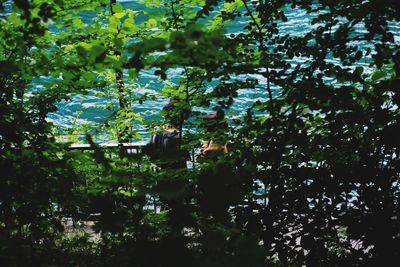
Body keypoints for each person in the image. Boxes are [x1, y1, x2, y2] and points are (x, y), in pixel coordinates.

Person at [146, 100, 188, 169]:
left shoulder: (156, 132)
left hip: (161, 172)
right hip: (178, 173)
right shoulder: (179, 136)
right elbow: (185, 158)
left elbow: (152, 156)